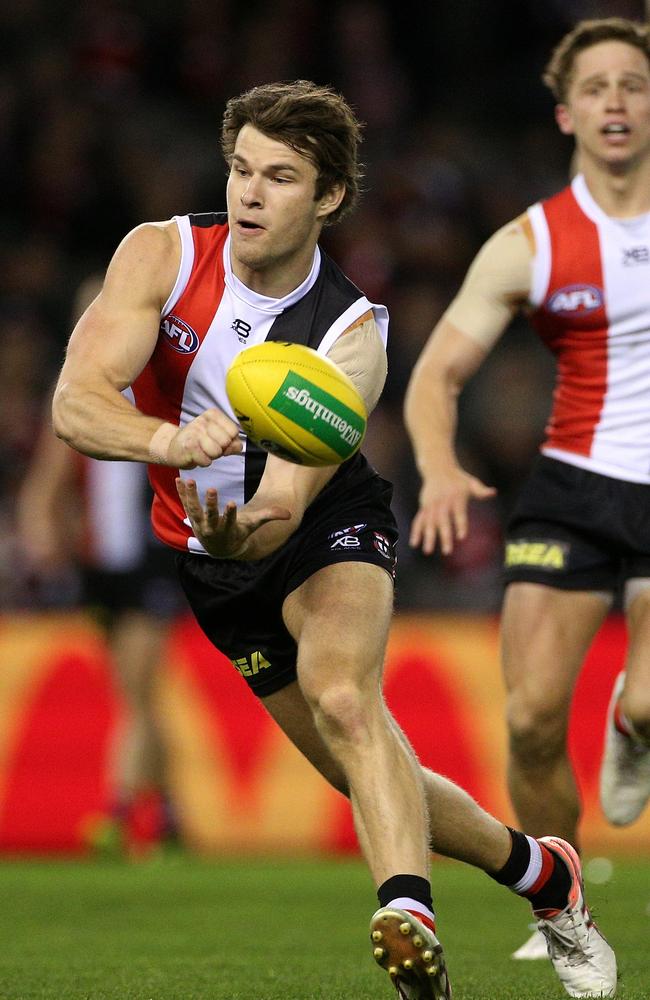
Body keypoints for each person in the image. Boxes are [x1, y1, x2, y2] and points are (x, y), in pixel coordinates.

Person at [52, 79, 615, 999]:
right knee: (366, 770)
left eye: (279, 178)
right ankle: (544, 874)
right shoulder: (159, 254)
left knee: (346, 695)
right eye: (240, 170)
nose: (249, 195)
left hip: (321, 527)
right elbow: (75, 401)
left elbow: (281, 502)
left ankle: (407, 917)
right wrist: (167, 441)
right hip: (207, 560)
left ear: (329, 198)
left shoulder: (352, 340)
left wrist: (244, 530)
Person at [404, 16, 650, 965]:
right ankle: (565, 911)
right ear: (565, 113)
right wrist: (437, 462)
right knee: (530, 717)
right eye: (597, 88)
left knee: (649, 704)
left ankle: (634, 719)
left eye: (632, 83)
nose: (617, 101)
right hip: (574, 489)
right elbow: (437, 376)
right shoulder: (532, 242)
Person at [18, 278, 185, 856]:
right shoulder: (78, 389)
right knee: (136, 693)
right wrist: (44, 530)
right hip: (101, 563)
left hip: (152, 553)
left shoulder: (168, 381)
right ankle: (166, 813)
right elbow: (50, 474)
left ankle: (118, 811)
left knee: (137, 689)